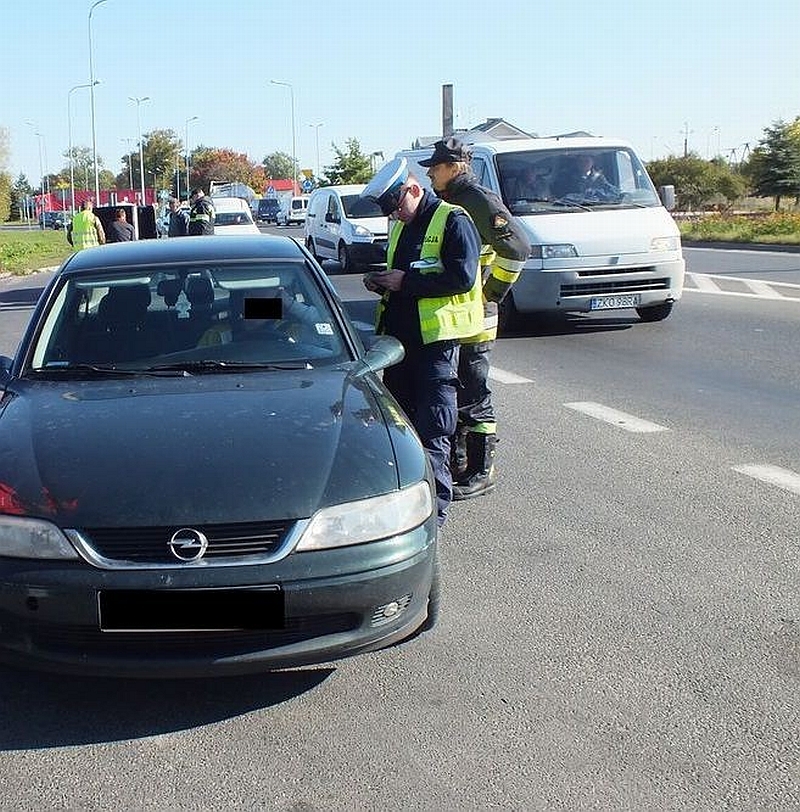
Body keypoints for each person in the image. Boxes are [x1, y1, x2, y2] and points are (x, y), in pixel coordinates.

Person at [357, 157, 484, 528]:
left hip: (436, 348)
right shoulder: (403, 225)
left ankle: (434, 517)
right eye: (390, 213)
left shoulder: (453, 220)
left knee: (433, 432)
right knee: (401, 431)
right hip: (398, 347)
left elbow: (462, 278)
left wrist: (404, 284)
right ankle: (404, 505)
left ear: (414, 190)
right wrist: (380, 281)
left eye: (397, 207)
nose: (395, 217)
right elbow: (404, 273)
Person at [421, 137, 531, 500]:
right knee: (462, 390)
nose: (431, 174)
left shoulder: (477, 200)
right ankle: (462, 461)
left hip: (477, 315)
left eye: (435, 168)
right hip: (460, 315)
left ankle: (483, 470)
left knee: (475, 394)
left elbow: (517, 248)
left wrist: (491, 293)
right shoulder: (452, 199)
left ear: (455, 167)